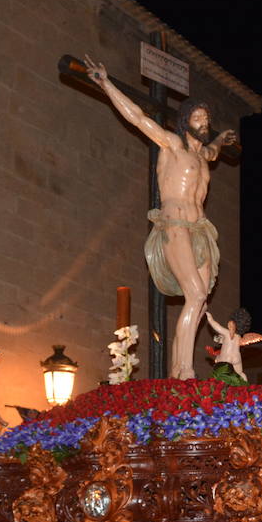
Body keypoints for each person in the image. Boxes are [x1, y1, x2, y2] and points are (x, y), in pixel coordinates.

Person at [84, 55, 238, 380]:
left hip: (200, 229)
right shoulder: (171, 145)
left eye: (206, 117)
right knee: (195, 295)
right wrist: (105, 82)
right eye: (197, 116)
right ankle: (184, 373)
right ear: (185, 121)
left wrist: (222, 138)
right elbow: (138, 118)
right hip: (175, 224)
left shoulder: (203, 155)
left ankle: (179, 369)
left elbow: (213, 149)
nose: (203, 121)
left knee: (201, 302)